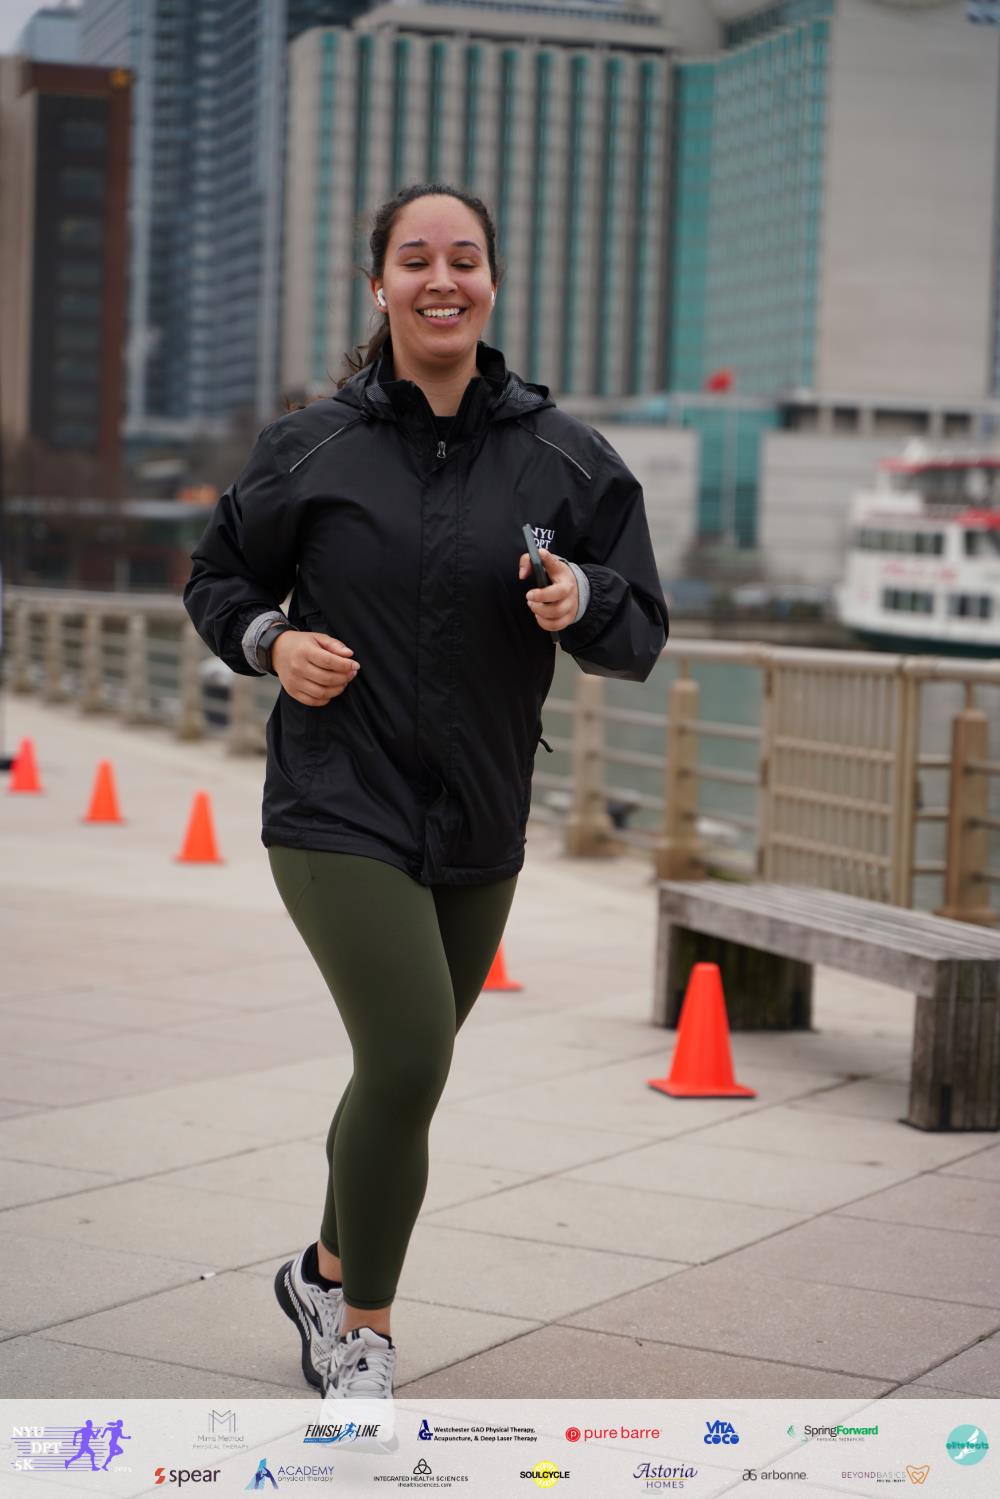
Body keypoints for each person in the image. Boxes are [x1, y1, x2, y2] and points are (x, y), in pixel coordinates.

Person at [182, 182, 669, 1401]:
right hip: (334, 797)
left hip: (482, 810)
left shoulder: (566, 457)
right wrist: (270, 642)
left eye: (463, 257)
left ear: (491, 281)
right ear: (379, 286)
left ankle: (321, 1268)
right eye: (414, 258)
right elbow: (216, 579)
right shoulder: (311, 447)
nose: (440, 278)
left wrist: (585, 598)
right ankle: (363, 1331)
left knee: (401, 1074)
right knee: (406, 1057)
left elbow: (640, 628)